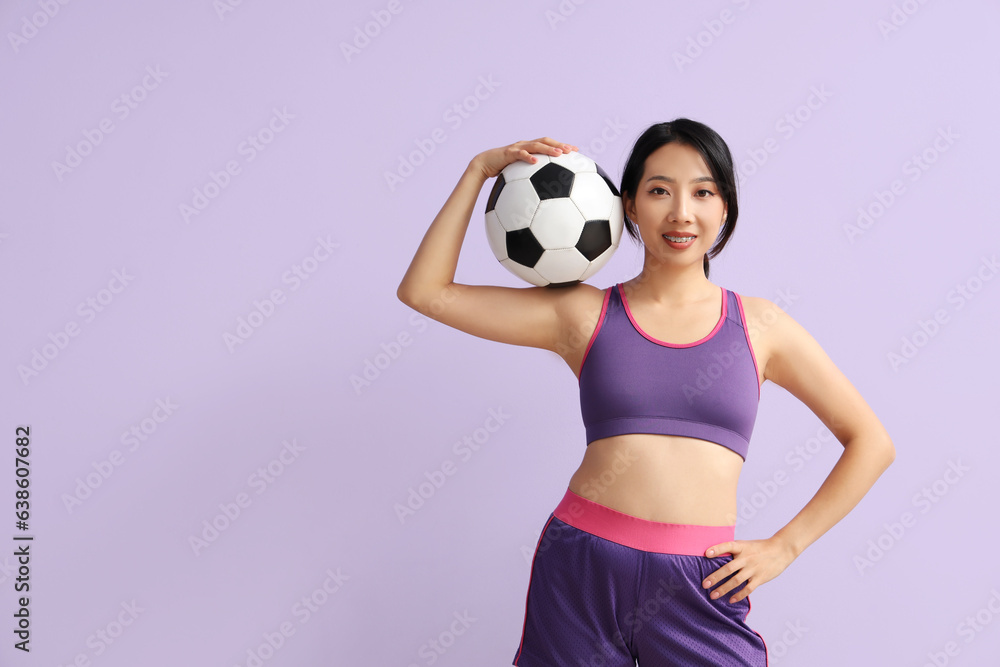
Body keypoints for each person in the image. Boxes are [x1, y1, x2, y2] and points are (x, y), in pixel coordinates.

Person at [396, 119, 895, 667]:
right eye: (660, 190)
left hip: (702, 580)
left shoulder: (760, 326)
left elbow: (870, 441)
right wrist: (477, 172)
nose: (682, 212)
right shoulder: (582, 313)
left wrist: (786, 545)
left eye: (702, 192)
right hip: (584, 565)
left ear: (724, 207)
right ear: (628, 204)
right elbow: (426, 292)